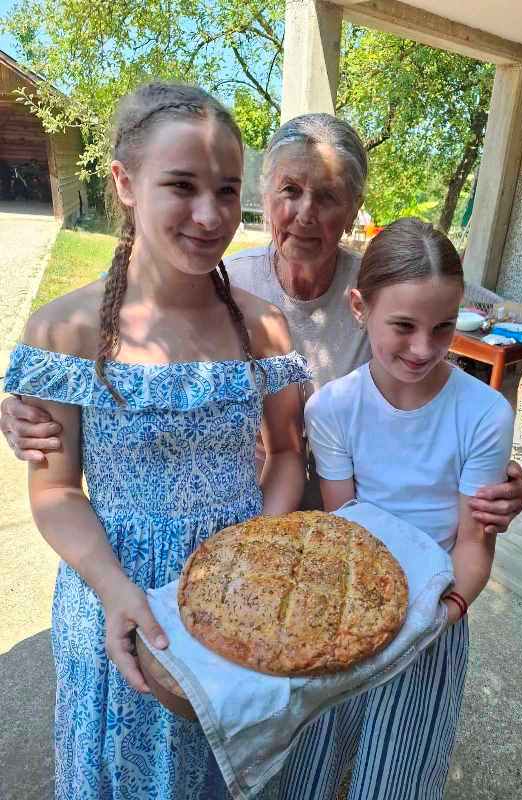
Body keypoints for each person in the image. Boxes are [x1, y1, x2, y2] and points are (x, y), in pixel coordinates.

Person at [1, 113, 522, 531]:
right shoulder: (221, 281)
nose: (306, 213)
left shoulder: (383, 294)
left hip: (360, 520)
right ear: (265, 194)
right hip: (245, 518)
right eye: (290, 190)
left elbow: (436, 404)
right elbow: (119, 315)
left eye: (328, 196)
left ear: (354, 209)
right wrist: (27, 406)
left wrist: (490, 477)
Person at [3, 81, 309, 799]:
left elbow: (287, 454)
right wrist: (117, 591)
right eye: (181, 185)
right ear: (124, 182)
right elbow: (55, 491)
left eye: (227, 190)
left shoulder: (265, 328)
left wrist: (250, 561)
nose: (210, 214)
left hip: (236, 591)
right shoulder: (64, 331)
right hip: (116, 597)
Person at [289, 217, 515, 800]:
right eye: (404, 326)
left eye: (443, 328)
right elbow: (347, 526)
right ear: (360, 308)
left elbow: (473, 542)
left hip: (438, 604)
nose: (423, 349)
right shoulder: (332, 409)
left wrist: (444, 613)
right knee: (316, 754)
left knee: (397, 771)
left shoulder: (485, 414)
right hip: (351, 599)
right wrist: (364, 617)